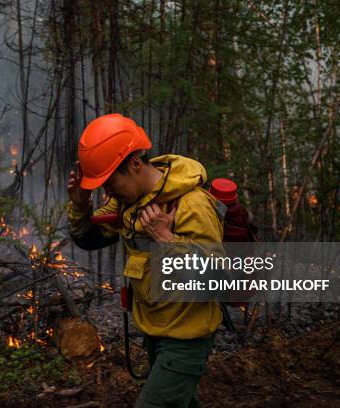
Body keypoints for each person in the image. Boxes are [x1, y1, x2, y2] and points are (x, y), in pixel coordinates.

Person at [66, 113, 223, 408]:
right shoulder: (128, 201)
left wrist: (166, 239)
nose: (107, 192)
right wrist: (80, 205)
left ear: (135, 164)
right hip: (156, 332)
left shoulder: (191, 204)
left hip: (186, 339)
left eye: (110, 183)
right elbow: (89, 239)